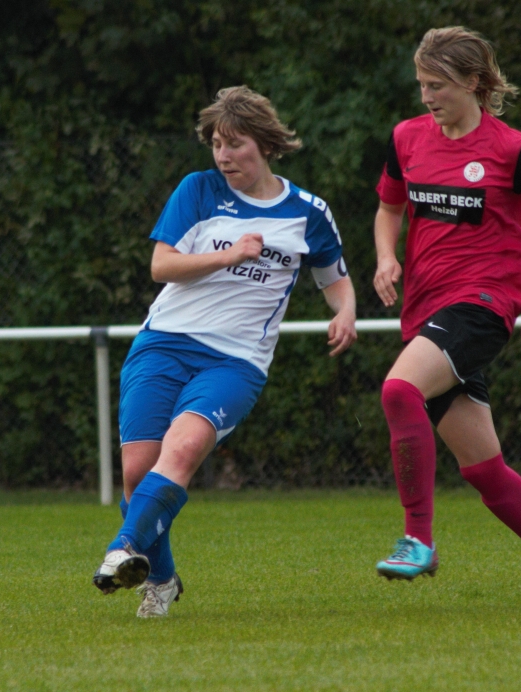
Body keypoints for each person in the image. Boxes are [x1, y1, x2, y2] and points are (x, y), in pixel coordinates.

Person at [92, 86, 357, 617]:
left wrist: (345, 310)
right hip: (163, 343)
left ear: (265, 144)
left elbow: (335, 279)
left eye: (235, 144)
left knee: (184, 447)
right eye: (216, 144)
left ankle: (122, 549)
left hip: (235, 361)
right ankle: (161, 581)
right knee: (137, 474)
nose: (223, 156)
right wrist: (228, 256)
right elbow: (161, 266)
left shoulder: (308, 213)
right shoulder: (198, 189)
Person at [373, 26, 521, 608]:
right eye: (422, 84)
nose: (427, 96)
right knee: (484, 472)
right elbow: (388, 207)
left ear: (474, 82)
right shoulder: (407, 138)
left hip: (483, 304)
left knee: (399, 390)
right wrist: (386, 257)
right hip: (425, 310)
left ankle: (418, 540)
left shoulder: (513, 150)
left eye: (438, 84)